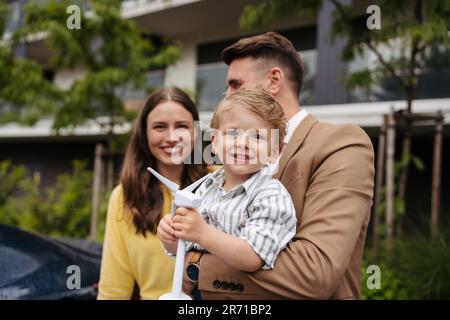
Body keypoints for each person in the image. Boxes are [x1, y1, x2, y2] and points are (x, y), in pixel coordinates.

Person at [182, 32, 375, 299]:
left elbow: (312, 273)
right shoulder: (231, 163)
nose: (227, 95)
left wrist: (195, 266)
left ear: (273, 81)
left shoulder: (340, 144)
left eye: (236, 85)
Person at [157, 89, 297, 286]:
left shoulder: (271, 196)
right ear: (214, 142)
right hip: (204, 290)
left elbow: (253, 256)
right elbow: (186, 247)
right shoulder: (207, 186)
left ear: (275, 151)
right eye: (233, 133)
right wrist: (171, 238)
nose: (243, 144)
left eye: (257, 137)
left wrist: (202, 233)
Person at [97, 87, 209, 299]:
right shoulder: (124, 197)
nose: (171, 137)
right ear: (144, 133)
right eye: (159, 127)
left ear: (195, 131)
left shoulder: (223, 182)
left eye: (182, 126)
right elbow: (114, 288)